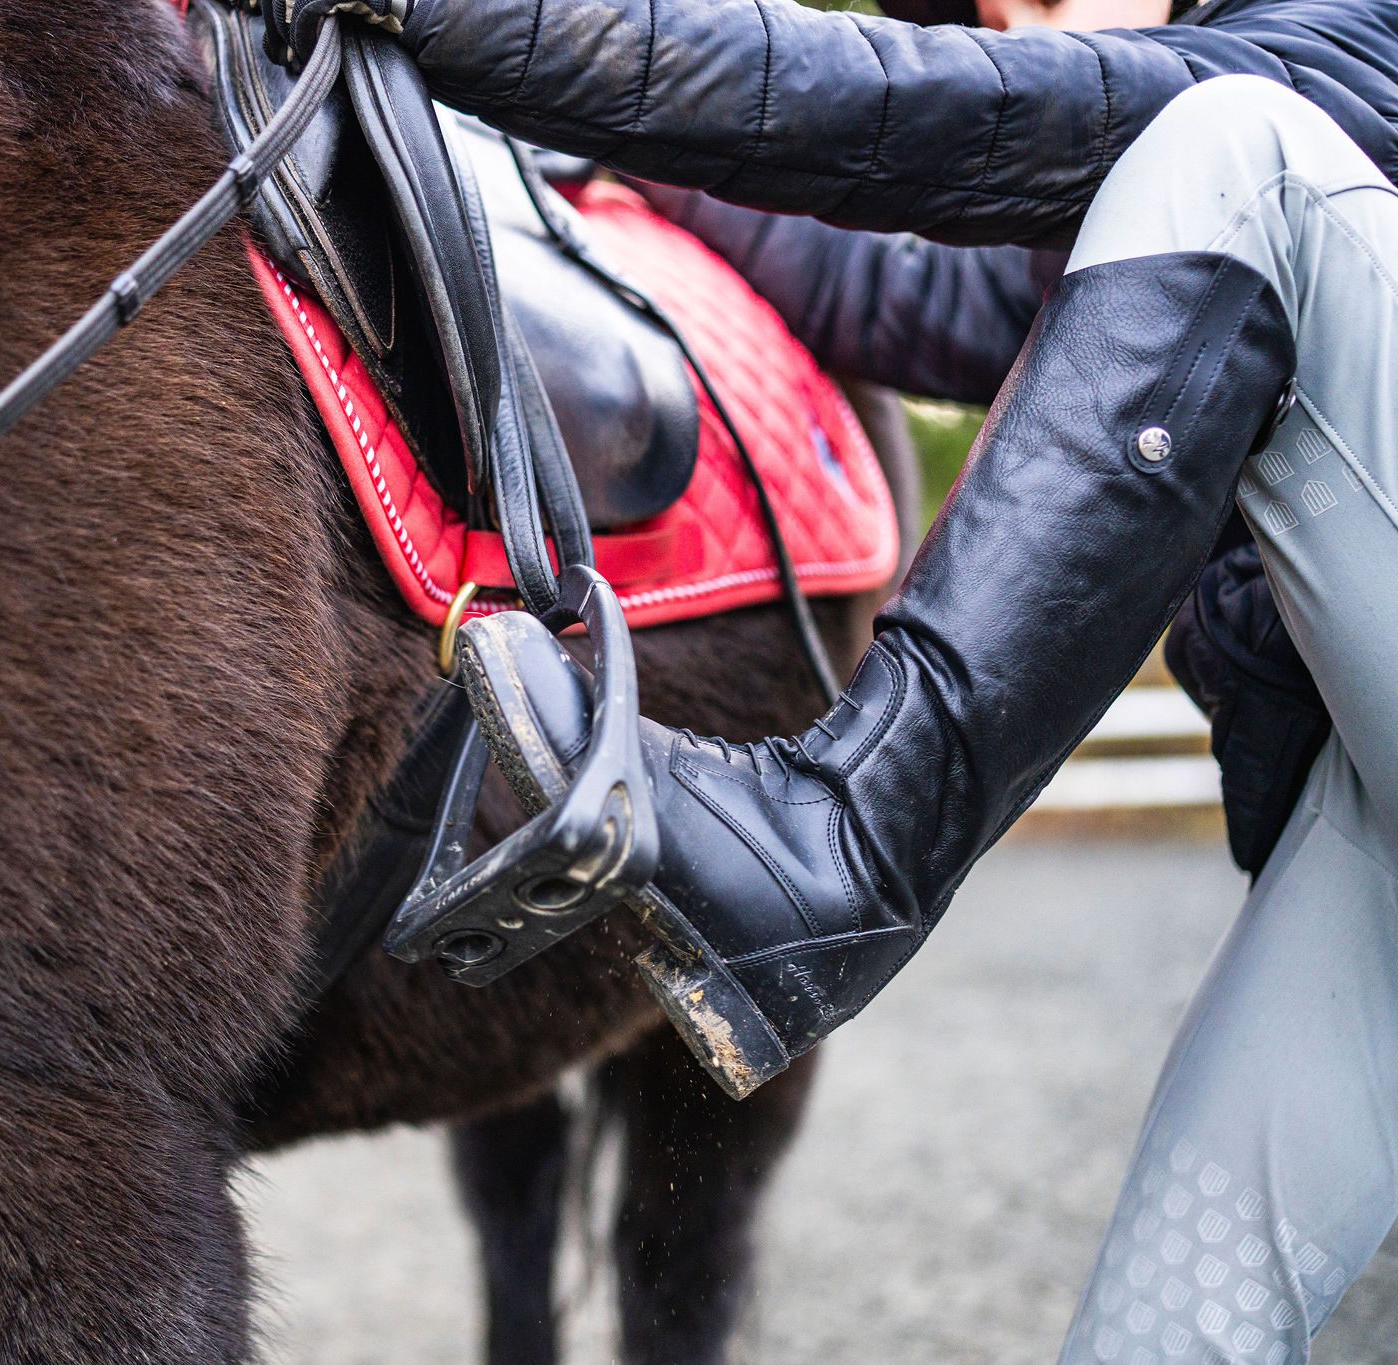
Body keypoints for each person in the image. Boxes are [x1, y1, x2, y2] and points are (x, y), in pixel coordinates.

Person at [262, 0, 1398, 1357]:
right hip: (1362, 829)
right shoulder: (1145, 235)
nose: (1006, 18)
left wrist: (487, 25)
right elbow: (885, 286)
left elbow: (920, 116)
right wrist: (598, 161)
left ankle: (843, 839)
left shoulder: (1344, 47)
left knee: (1231, 147)